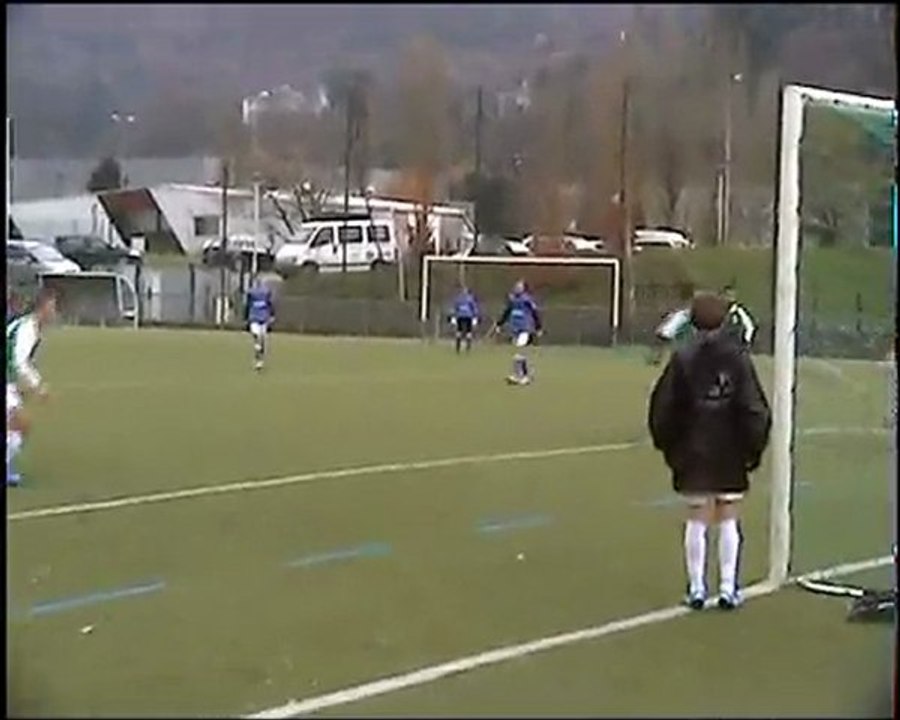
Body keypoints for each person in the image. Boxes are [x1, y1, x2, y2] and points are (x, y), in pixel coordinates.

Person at [648, 291, 771, 610]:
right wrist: (753, 448)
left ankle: (697, 588)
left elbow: (663, 409)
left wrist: (670, 447)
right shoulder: (738, 359)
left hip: (693, 451)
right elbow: (754, 409)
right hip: (730, 450)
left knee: (698, 516)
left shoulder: (683, 359)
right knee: (728, 513)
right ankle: (729, 587)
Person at [6, 288, 57, 487]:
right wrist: (38, 387)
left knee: (17, 425)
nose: (54, 312)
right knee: (22, 424)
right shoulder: (28, 328)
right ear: (42, 308)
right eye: (52, 307)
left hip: (9, 381)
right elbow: (20, 361)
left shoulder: (30, 326)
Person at [491, 279, 542, 385]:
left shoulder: (527, 300)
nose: (516, 288)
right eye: (516, 286)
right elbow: (507, 312)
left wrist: (538, 327)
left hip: (525, 329)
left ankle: (524, 376)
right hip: (515, 329)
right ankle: (519, 376)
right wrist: (499, 324)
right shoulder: (513, 300)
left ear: (524, 288)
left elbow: (535, 313)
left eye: (519, 286)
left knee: (519, 351)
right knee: (516, 354)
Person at [649, 284, 695, 366]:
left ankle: (659, 359)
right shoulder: (683, 310)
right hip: (672, 329)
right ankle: (660, 359)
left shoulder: (683, 310)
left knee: (670, 343)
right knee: (672, 343)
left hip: (671, 329)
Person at [245, 277, 275, 371]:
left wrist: (271, 315)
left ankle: (260, 360)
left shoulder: (266, 293)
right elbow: (247, 305)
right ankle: (258, 353)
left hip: (263, 318)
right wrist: (246, 317)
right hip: (254, 318)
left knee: (262, 339)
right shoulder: (251, 293)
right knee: (256, 336)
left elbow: (270, 304)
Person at [449, 284, 480, 353]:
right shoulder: (470, 298)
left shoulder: (459, 298)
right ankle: (468, 347)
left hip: (460, 316)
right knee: (468, 331)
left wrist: (453, 315)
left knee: (459, 330)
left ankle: (458, 347)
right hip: (468, 316)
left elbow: (455, 308)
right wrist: (476, 315)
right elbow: (474, 308)